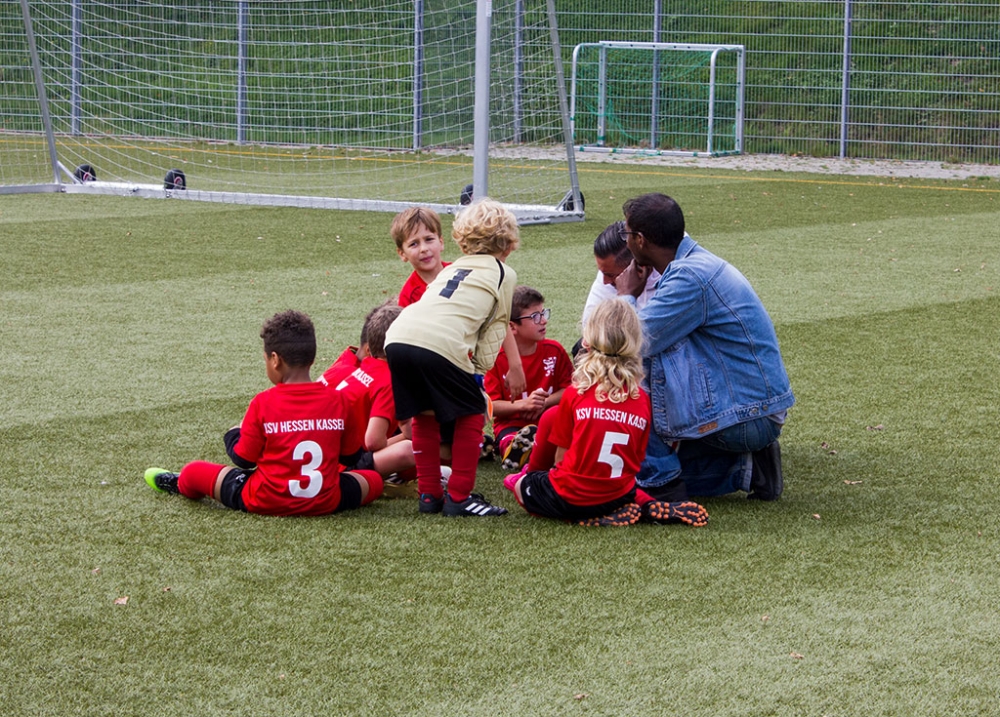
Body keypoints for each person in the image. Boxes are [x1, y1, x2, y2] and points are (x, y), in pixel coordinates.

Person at [616, 192, 794, 500]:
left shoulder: (689, 276)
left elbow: (632, 342)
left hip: (749, 415)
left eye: (626, 233)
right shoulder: (695, 263)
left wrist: (625, 296)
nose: (625, 241)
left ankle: (661, 482)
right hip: (754, 408)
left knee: (624, 372)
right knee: (633, 468)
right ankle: (747, 468)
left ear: (640, 240)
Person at [144, 310, 383, 515]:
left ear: (275, 360)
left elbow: (243, 459)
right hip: (325, 499)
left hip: (264, 499)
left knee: (194, 471)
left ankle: (180, 484)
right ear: (311, 359)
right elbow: (351, 457)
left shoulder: (263, 402)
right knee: (374, 481)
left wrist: (233, 433)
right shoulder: (339, 400)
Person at [503, 299, 709, 527]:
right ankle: (647, 503)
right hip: (618, 495)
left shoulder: (575, 394)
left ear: (587, 343)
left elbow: (560, 461)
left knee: (520, 484)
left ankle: (585, 515)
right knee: (622, 486)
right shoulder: (642, 399)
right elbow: (635, 462)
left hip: (572, 496)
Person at [385, 198, 519, 517]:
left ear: (459, 241)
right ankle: (459, 496)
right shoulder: (503, 273)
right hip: (439, 345)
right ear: (509, 245)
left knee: (425, 414)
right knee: (472, 411)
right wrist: (478, 374)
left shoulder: (453, 268)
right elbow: (496, 326)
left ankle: (429, 494)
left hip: (397, 338)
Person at [391, 205, 526, 401]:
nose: (424, 249)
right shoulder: (409, 295)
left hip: (462, 358)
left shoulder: (461, 272)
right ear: (402, 253)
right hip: (442, 361)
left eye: (429, 239)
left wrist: (515, 364)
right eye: (414, 244)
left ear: (441, 241)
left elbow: (498, 320)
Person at [320, 301, 422, 485]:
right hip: (343, 466)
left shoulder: (366, 367)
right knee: (414, 449)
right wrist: (409, 437)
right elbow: (373, 442)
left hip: (326, 459)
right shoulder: (389, 380)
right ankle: (389, 477)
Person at [485, 285, 572, 472]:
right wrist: (523, 405)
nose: (544, 321)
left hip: (550, 423)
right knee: (509, 439)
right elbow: (490, 406)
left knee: (564, 438)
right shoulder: (496, 359)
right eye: (535, 317)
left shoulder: (555, 351)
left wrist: (544, 402)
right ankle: (517, 449)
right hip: (511, 424)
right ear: (512, 327)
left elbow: (571, 390)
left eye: (544, 313)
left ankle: (532, 451)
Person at [580, 221, 661, 328]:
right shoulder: (609, 271)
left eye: (610, 275)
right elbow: (590, 327)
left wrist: (625, 296)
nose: (605, 281)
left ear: (640, 268)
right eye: (602, 273)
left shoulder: (672, 279)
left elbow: (653, 333)